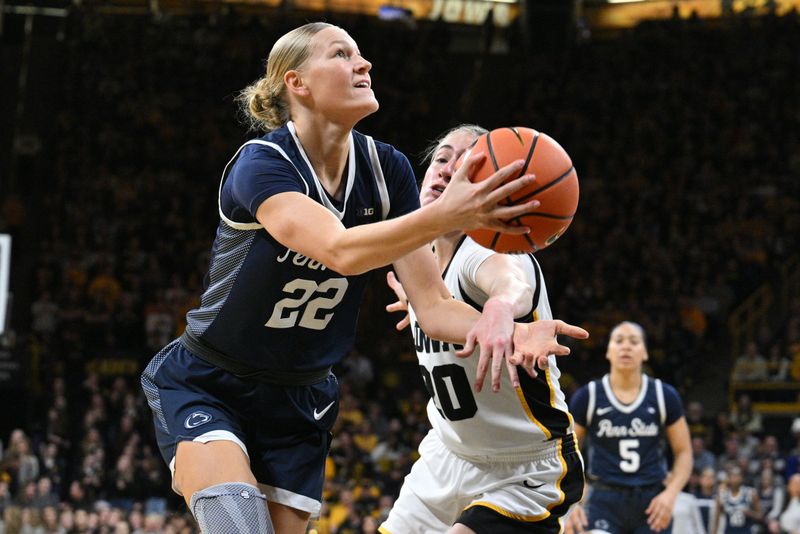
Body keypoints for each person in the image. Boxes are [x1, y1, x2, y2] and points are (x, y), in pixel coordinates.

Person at [139, 23, 589, 534]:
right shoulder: (261, 164)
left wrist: (510, 326)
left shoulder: (388, 169)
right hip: (213, 378)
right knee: (237, 521)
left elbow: (436, 308)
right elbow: (339, 250)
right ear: (297, 83)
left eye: (361, 54)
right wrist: (446, 214)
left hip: (301, 399)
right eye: (341, 54)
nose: (364, 64)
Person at [379, 125, 585, 534]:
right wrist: (418, 301)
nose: (445, 170)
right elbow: (439, 300)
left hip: (525, 466)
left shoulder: (492, 248)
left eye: (466, 164)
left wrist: (499, 307)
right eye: (441, 158)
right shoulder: (419, 256)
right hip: (447, 453)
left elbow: (511, 280)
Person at [565, 321, 692, 534]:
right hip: (603, 498)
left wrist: (670, 495)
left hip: (651, 500)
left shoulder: (664, 395)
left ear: (645, 353)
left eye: (634, 342)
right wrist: (573, 497)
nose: (626, 346)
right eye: (619, 341)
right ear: (608, 352)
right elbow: (565, 451)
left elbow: (684, 452)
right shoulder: (589, 396)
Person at [710, 466, 761, 534]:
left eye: (738, 475)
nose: (735, 478)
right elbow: (717, 520)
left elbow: (760, 516)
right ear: (728, 478)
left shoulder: (750, 493)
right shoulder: (722, 495)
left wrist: (750, 513)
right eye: (733, 475)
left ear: (742, 478)